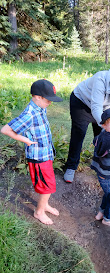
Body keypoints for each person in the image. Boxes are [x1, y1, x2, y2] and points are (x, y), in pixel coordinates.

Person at [1, 79, 63, 225]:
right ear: (37, 97)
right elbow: (5, 130)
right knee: (46, 185)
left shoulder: (40, 108)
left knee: (47, 184)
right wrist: (25, 140)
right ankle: (39, 212)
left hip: (45, 154)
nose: (50, 103)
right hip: (38, 157)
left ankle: (44, 205)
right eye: (48, 100)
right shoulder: (29, 114)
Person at [64, 66, 110, 183]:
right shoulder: (100, 79)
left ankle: (101, 167)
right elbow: (96, 107)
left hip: (103, 107)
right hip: (82, 102)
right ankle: (71, 167)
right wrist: (107, 125)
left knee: (104, 137)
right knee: (79, 134)